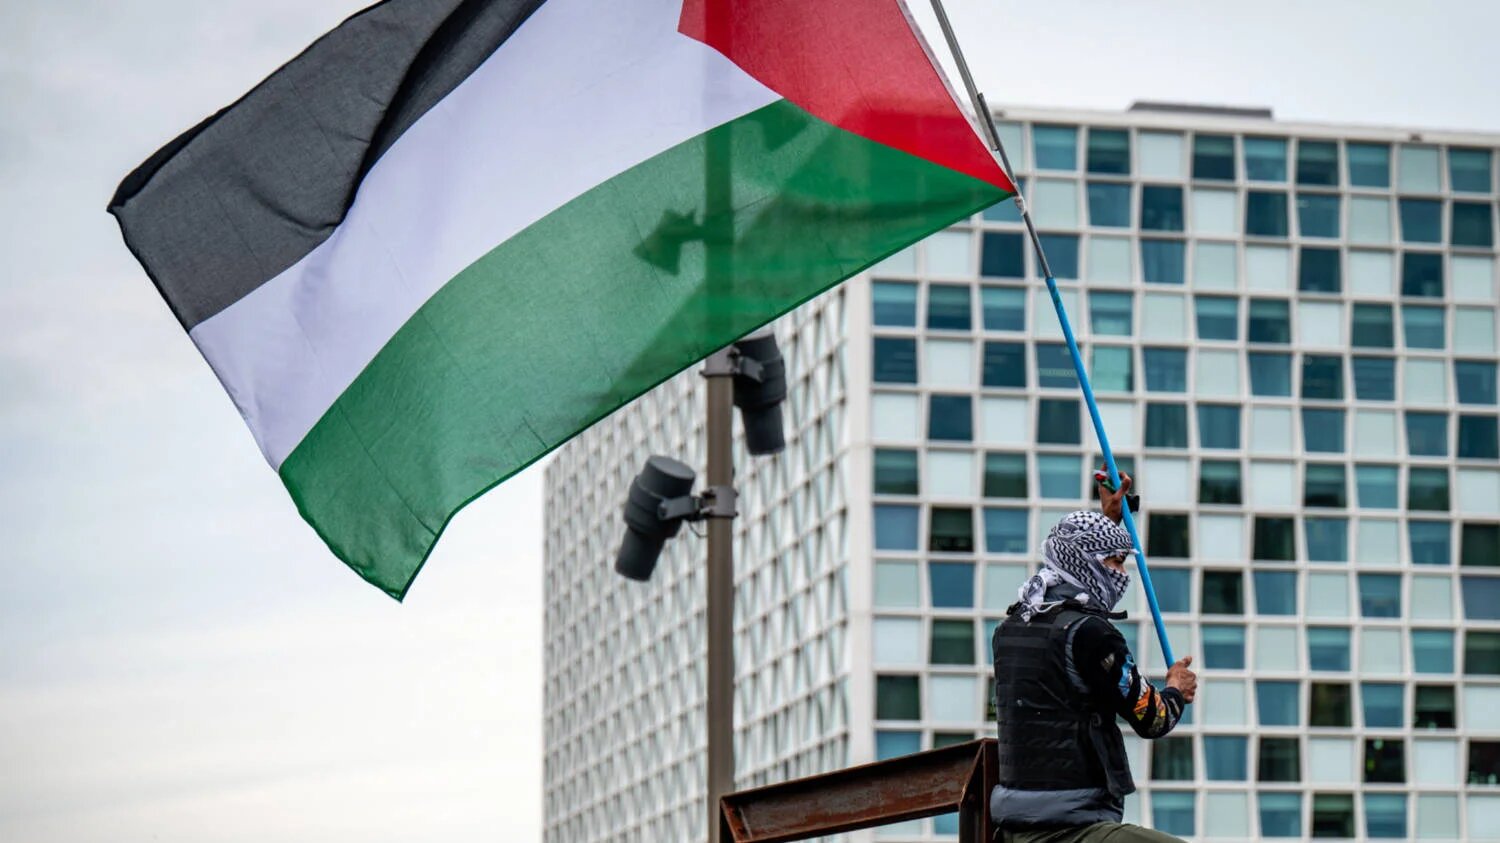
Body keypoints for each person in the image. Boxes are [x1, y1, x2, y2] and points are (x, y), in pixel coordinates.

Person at [990, 471, 1198, 842]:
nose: (1120, 576)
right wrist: (1175, 690)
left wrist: (1110, 519)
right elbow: (1153, 719)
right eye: (1115, 563)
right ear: (1086, 560)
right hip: (1073, 827)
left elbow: (1078, 554)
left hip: (1013, 826)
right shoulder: (1092, 634)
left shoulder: (1012, 626)